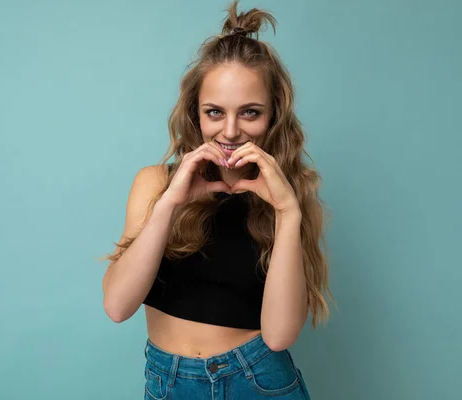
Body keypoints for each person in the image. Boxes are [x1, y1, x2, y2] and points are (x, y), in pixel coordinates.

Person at [101, 1, 334, 398]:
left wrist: (288, 213)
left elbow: (279, 336)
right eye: (214, 112)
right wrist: (170, 204)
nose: (230, 131)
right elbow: (118, 307)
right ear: (196, 113)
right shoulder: (155, 183)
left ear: (273, 115)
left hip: (260, 382)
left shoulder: (289, 199)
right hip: (168, 383)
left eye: (250, 113)